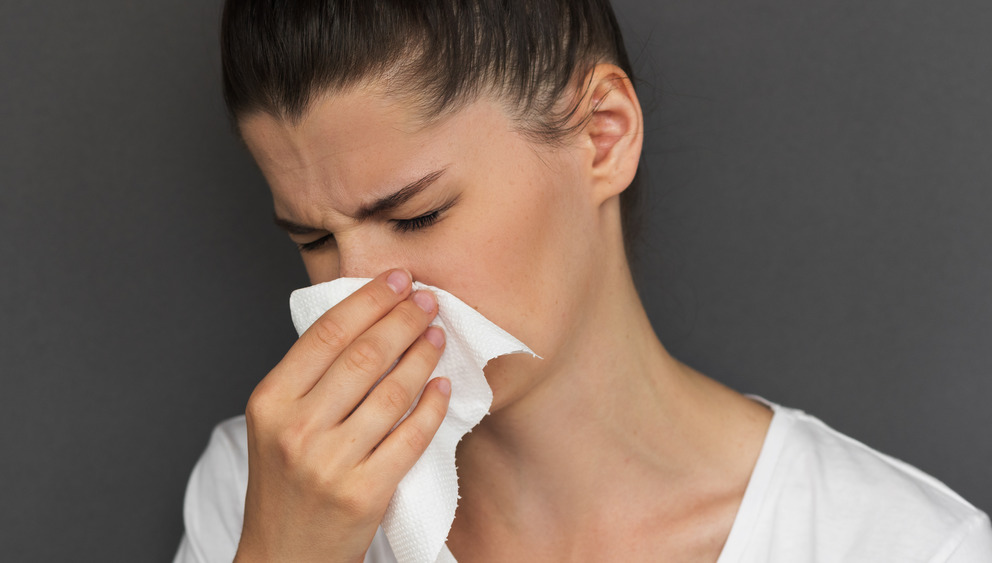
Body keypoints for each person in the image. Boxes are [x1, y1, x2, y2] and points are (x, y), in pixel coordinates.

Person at [175, 1, 992, 561]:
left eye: (417, 215)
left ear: (602, 138)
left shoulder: (898, 544)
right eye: (314, 238)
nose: (357, 291)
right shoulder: (262, 492)